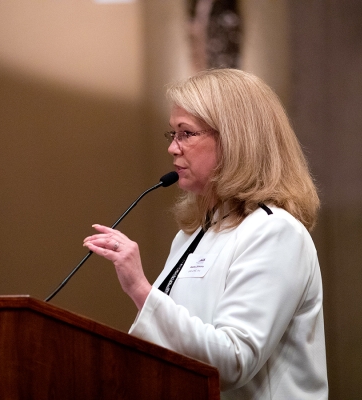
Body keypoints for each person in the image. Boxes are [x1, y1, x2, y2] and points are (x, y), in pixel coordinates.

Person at [83, 69, 328, 399]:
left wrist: (141, 289)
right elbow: (172, 347)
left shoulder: (275, 232)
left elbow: (233, 361)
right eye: (172, 133)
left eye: (186, 134)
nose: (173, 148)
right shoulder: (193, 234)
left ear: (235, 138)